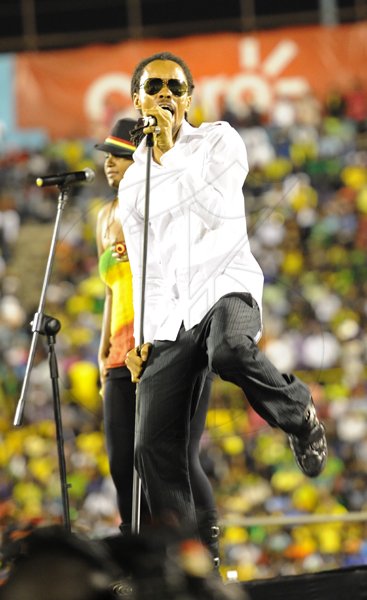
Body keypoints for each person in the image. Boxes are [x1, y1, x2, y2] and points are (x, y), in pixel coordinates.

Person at [118, 52, 328, 532]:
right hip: (170, 317)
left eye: (175, 86)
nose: (165, 94)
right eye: (154, 87)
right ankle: (191, 562)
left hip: (225, 289)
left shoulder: (219, 140)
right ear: (138, 99)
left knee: (231, 351)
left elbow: (219, 211)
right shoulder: (132, 183)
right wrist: (141, 338)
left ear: (189, 97)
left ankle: (299, 414)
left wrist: (169, 152)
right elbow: (146, 267)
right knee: (150, 446)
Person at [95, 118, 219, 562]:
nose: (109, 163)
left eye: (119, 154)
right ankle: (138, 562)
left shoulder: (169, 205)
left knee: (176, 456)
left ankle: (205, 556)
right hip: (118, 354)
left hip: (165, 345)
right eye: (107, 154)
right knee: (121, 464)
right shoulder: (106, 217)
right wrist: (103, 348)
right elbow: (112, 289)